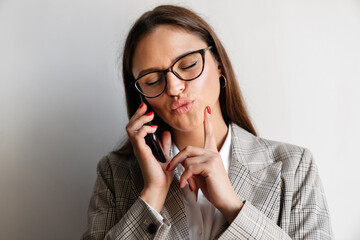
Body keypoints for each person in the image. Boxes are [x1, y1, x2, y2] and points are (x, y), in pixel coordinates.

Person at [81, 5, 333, 240]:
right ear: (141, 96)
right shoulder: (116, 174)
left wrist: (233, 207)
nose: (174, 87)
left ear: (219, 65)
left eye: (188, 64)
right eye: (152, 81)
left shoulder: (294, 167)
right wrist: (153, 195)